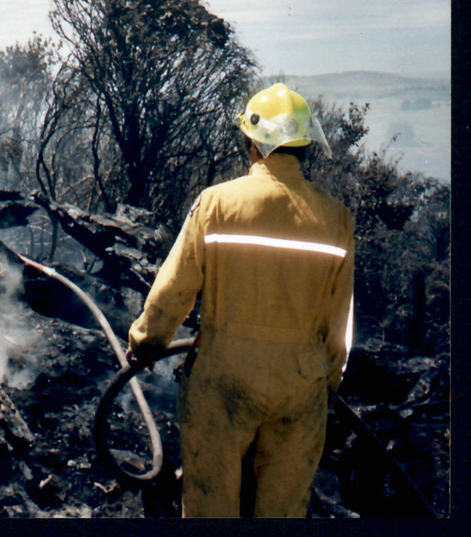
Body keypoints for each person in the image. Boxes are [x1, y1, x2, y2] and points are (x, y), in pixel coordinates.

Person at [126, 82, 355, 518]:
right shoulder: (336, 219)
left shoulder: (217, 204)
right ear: (304, 147)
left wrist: (146, 342)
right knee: (284, 511)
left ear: (253, 143)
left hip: (224, 376)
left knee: (211, 505)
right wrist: (326, 383)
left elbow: (173, 291)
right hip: (300, 384)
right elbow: (339, 322)